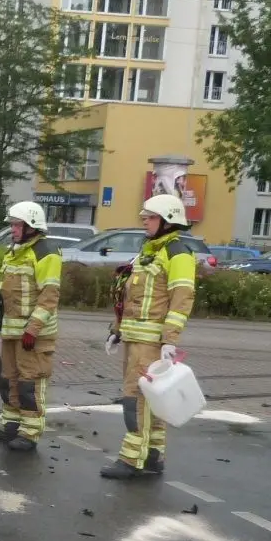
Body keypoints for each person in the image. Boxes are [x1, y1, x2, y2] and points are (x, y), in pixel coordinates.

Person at [101, 194, 195, 480]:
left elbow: (182, 299)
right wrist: (117, 330)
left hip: (151, 343)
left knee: (135, 400)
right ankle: (153, 456)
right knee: (152, 401)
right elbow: (130, 297)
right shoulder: (149, 251)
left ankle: (131, 460)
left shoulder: (177, 253)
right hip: (135, 339)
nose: (145, 221)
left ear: (168, 220)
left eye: (151, 217)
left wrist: (170, 339)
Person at [0, 201, 62, 452]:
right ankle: (11, 424)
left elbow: (49, 295)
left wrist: (33, 328)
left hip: (33, 336)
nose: (13, 229)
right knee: (8, 380)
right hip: (13, 332)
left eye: (17, 225)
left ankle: (30, 432)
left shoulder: (46, 252)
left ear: (31, 226)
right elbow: (12, 289)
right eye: (12, 225)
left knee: (29, 384)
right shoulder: (15, 251)